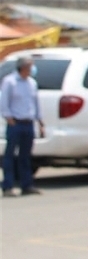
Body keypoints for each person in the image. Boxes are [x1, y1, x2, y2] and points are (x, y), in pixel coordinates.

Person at [1, 56, 45, 197]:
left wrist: (40, 121)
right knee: (10, 155)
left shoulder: (32, 83)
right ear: (23, 67)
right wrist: (9, 118)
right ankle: (8, 185)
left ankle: (27, 185)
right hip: (15, 123)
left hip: (28, 123)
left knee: (25, 156)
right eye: (30, 66)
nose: (32, 69)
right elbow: (3, 102)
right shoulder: (10, 82)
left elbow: (35, 103)